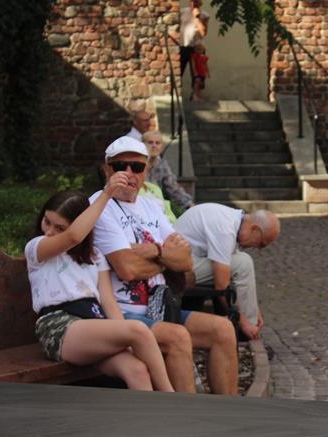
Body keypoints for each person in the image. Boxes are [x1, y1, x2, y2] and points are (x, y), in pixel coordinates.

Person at [91, 135, 238, 395]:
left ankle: (228, 410)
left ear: (146, 171)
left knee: (223, 329)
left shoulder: (151, 206)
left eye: (137, 167)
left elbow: (186, 261)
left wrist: (155, 251)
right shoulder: (100, 207)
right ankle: (185, 416)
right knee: (177, 337)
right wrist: (165, 258)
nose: (129, 173)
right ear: (107, 169)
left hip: (161, 308)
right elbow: (127, 269)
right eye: (120, 166)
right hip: (124, 314)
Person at [25, 173, 174, 392]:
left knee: (137, 369)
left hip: (94, 324)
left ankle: (150, 414)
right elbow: (73, 237)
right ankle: (172, 399)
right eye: (47, 221)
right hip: (59, 326)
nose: (49, 231)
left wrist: (122, 336)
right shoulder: (37, 247)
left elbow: (108, 301)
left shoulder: (94, 255)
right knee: (139, 330)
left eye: (60, 228)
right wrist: (107, 193)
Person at [174, 204, 280, 340]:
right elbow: (222, 287)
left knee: (239, 262)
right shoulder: (225, 230)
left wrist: (254, 308)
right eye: (261, 244)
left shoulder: (233, 220)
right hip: (177, 270)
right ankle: (246, 331)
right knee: (243, 263)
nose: (258, 248)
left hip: (187, 260)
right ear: (254, 229)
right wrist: (243, 323)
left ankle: (249, 322)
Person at [142, 130, 194, 213]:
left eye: (157, 143)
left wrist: (189, 204)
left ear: (161, 147)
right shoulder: (137, 163)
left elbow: (173, 188)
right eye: (150, 142)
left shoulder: (162, 164)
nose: (154, 145)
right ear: (142, 144)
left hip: (157, 206)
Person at [179, 0, 209, 87]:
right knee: (178, 72)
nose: (193, 3)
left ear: (200, 3)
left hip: (197, 48)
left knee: (198, 76)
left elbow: (203, 32)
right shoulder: (182, 12)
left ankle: (196, 93)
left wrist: (197, 17)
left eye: (195, 1)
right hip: (183, 46)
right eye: (191, 1)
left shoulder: (205, 15)